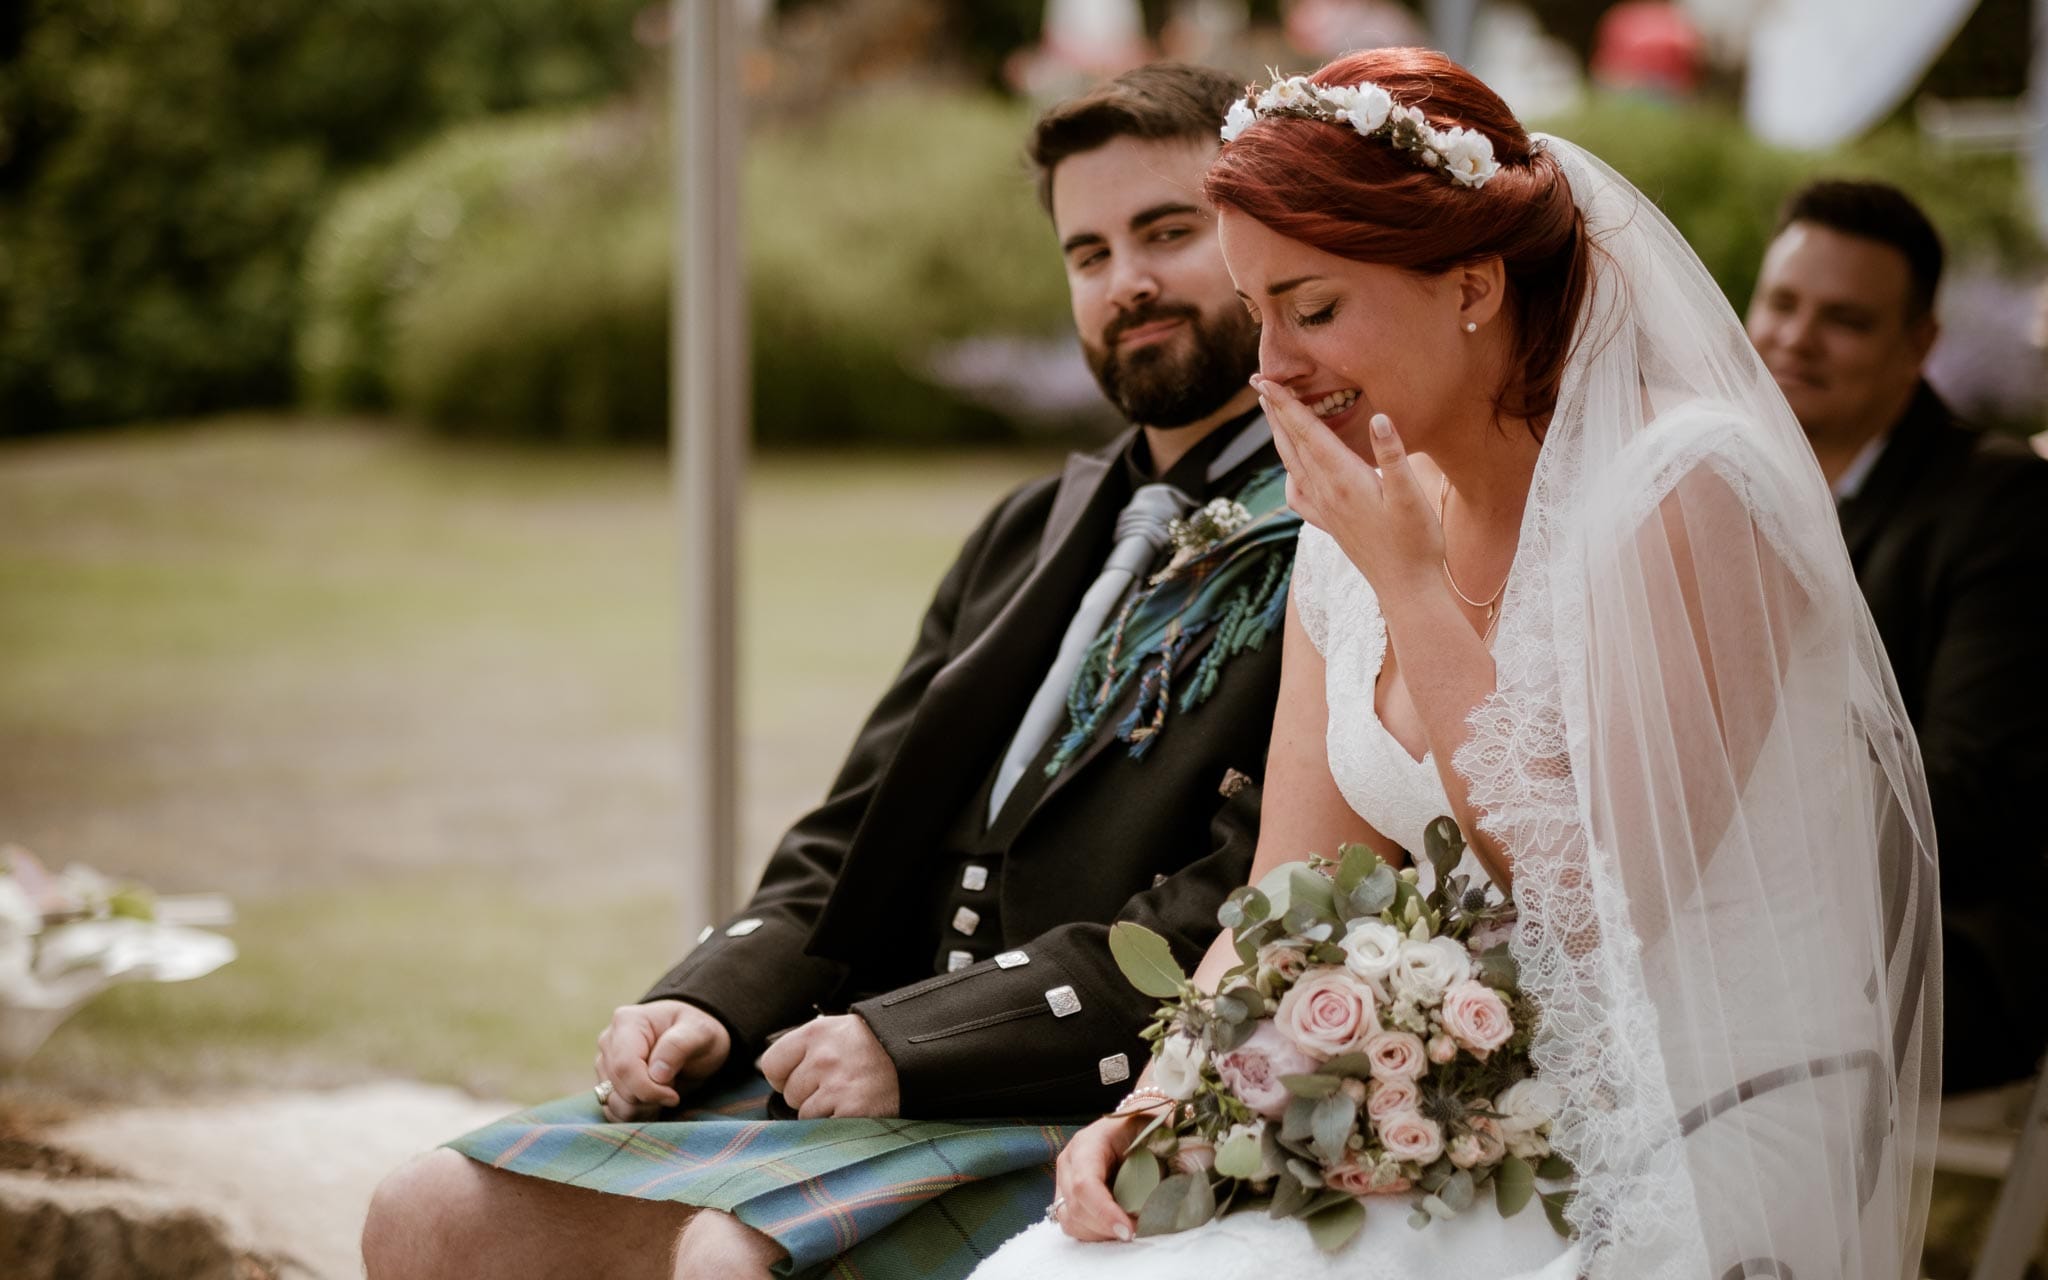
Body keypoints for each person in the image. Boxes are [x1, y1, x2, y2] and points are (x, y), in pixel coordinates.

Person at [973, 47, 1939, 1280]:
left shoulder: (1688, 485)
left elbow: (1594, 901)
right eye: (1255, 313)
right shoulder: (1361, 519)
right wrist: (1170, 1095)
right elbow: (1285, 890)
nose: (1270, 368)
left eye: (1312, 308)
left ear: (1473, 282)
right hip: (1450, 1110)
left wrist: (1408, 581)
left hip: (1713, 1103)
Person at [361, 63, 1303, 1280]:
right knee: (425, 1207)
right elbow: (859, 825)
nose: (1124, 281)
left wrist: (915, 1043)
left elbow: (1238, 905)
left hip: (1078, 1088)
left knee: (725, 1255)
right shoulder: (1029, 526)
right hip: (878, 1055)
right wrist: (708, 996)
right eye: (1086, 252)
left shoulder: (1333, 530)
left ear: (1258, 241)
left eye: (1166, 233)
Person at [1747, 179, 2048, 1094]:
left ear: (1920, 345)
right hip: (1738, 909)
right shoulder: (1720, 477)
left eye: (1844, 319)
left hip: (1946, 940)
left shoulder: (2002, 509)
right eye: (1781, 303)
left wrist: (1738, 862)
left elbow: (1971, 799)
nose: (1796, 338)